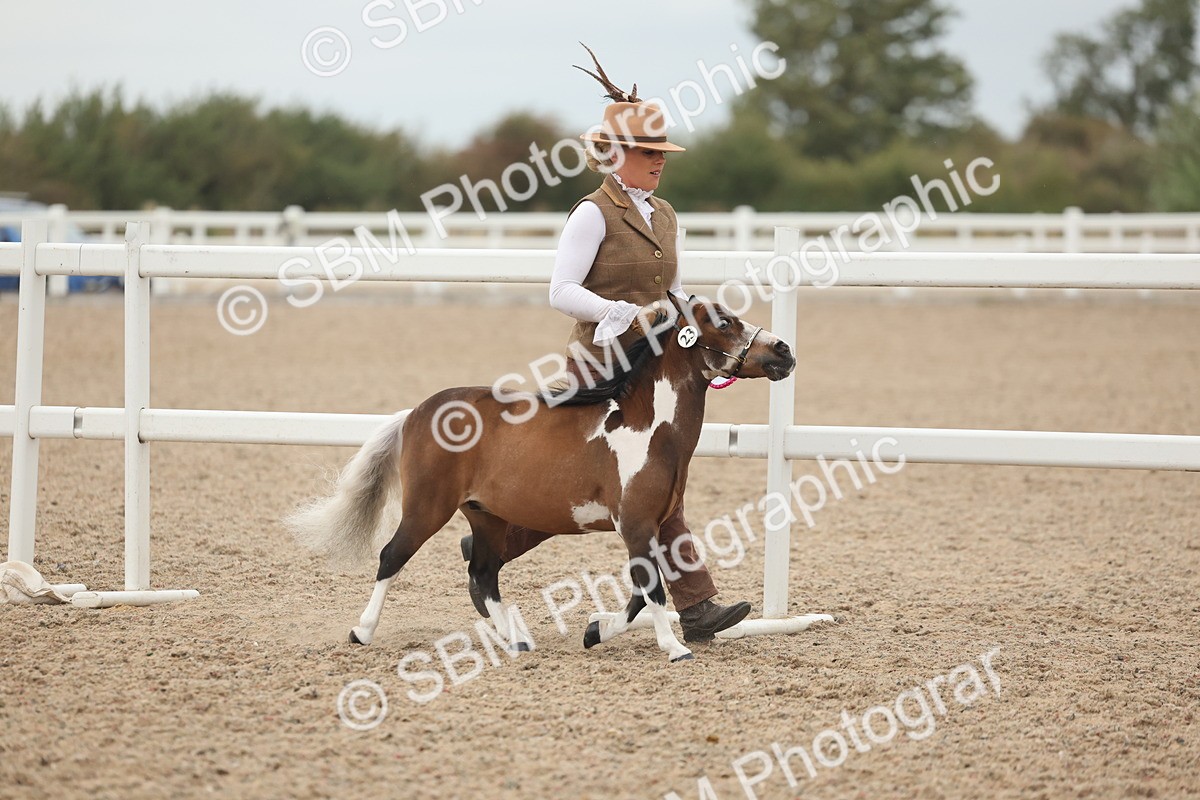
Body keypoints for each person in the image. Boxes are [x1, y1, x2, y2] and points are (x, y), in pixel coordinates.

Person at [460, 48, 752, 643]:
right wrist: (618, 312)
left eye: (662, 153)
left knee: (642, 484)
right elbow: (561, 291)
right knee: (613, 485)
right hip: (598, 365)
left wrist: (704, 331)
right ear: (616, 155)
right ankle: (695, 606)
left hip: (654, 368)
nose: (659, 161)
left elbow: (674, 292)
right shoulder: (592, 214)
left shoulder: (666, 215)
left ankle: (500, 541)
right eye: (648, 153)